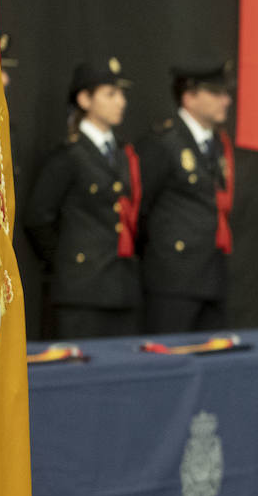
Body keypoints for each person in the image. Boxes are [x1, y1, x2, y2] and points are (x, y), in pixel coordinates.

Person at [24, 58, 143, 338]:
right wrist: (68, 261)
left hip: (122, 287)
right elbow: (38, 217)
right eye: (110, 94)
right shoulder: (70, 155)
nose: (121, 102)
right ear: (84, 99)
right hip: (81, 290)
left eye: (122, 94)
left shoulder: (124, 153)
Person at [137, 62, 235, 333]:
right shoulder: (164, 141)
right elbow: (140, 207)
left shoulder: (217, 144)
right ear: (189, 97)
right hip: (172, 279)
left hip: (212, 275)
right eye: (216, 93)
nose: (226, 100)